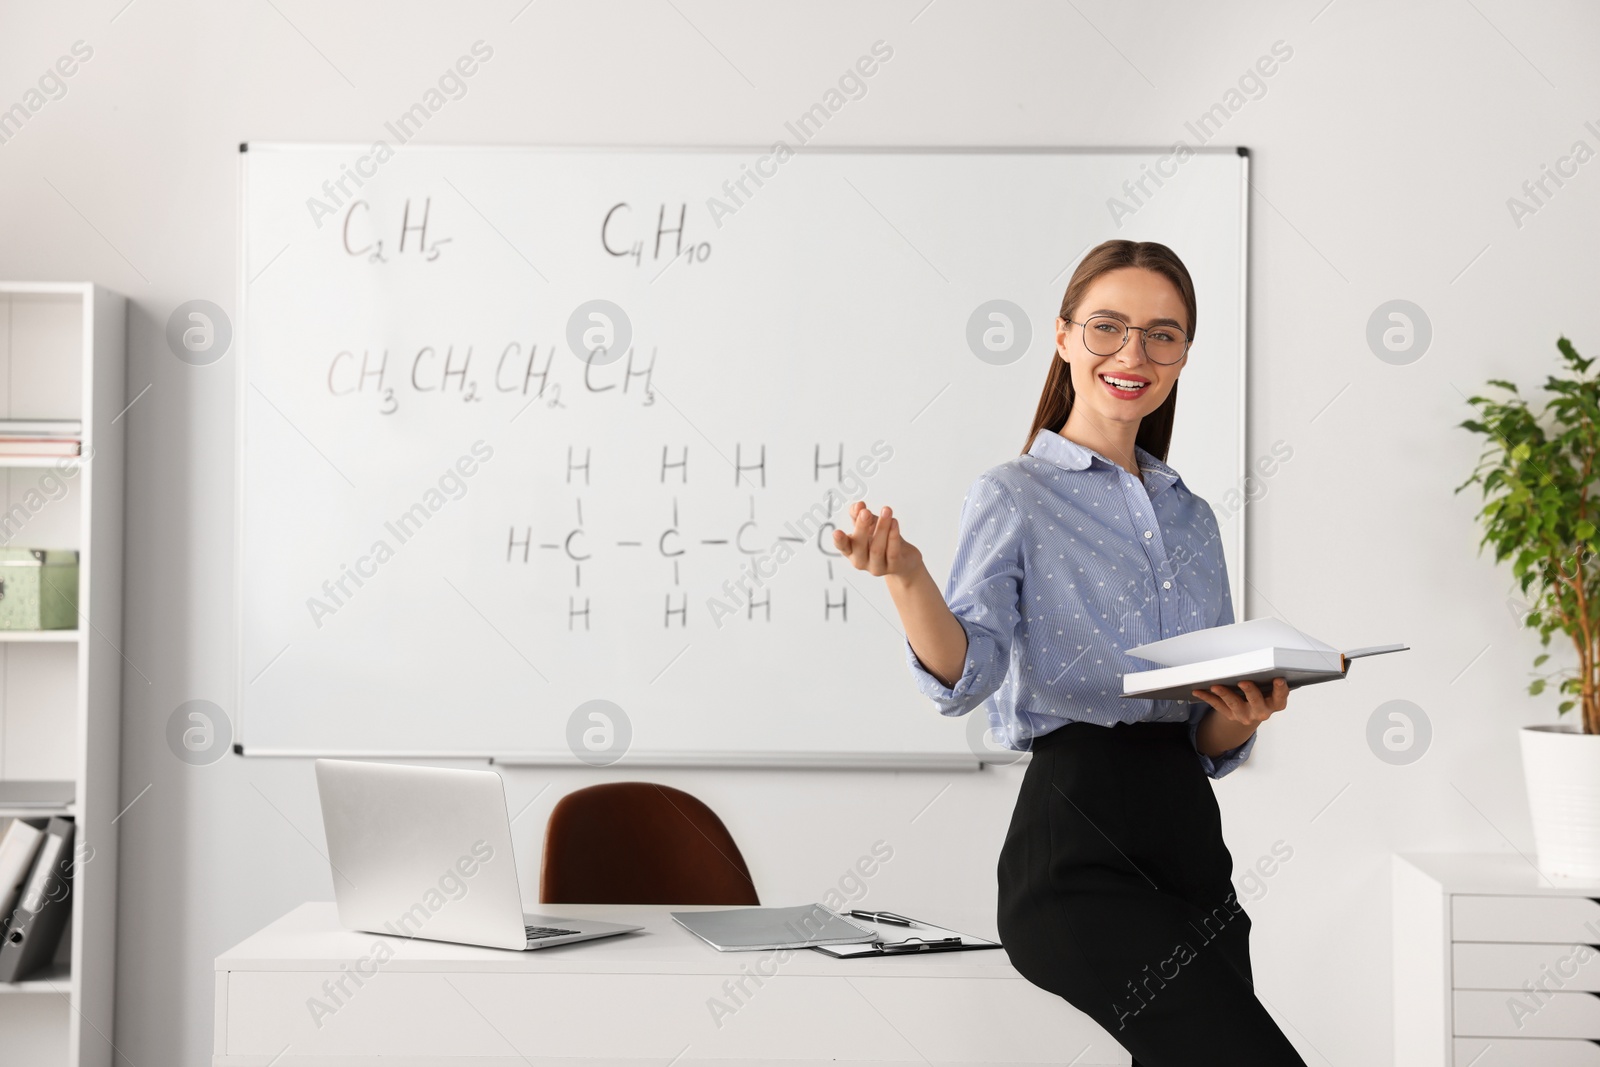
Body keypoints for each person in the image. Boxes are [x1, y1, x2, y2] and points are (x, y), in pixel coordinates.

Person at [833, 239, 1307, 1066]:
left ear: (1185, 354)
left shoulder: (1195, 517)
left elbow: (1205, 737)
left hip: (1193, 847)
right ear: (1062, 338)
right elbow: (965, 676)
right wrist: (907, 577)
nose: (1134, 354)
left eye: (1163, 334)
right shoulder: (1014, 492)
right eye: (1108, 327)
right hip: (1077, 848)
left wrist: (1246, 711)